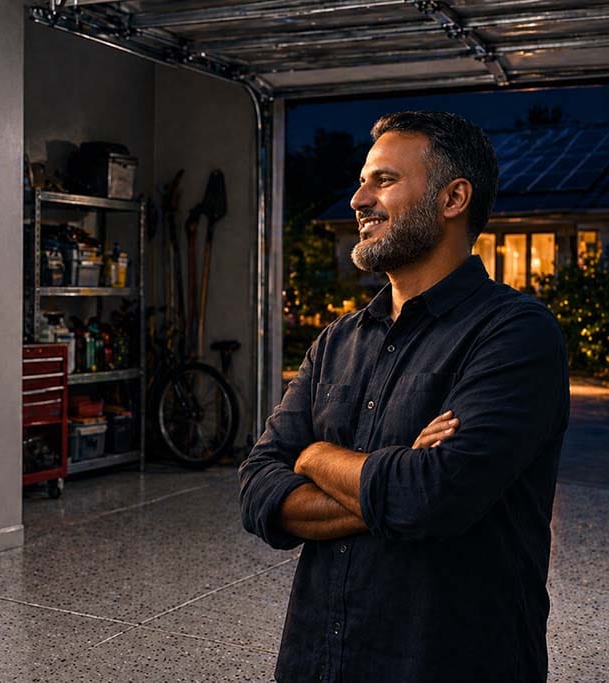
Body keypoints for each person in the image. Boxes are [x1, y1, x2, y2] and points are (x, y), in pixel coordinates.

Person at [239, 111, 569, 683]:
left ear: (453, 198)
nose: (358, 199)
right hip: (320, 661)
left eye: (384, 181)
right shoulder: (337, 340)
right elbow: (258, 489)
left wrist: (314, 457)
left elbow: (431, 499)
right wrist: (393, 481)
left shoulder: (516, 334)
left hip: (448, 661)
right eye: (364, 181)